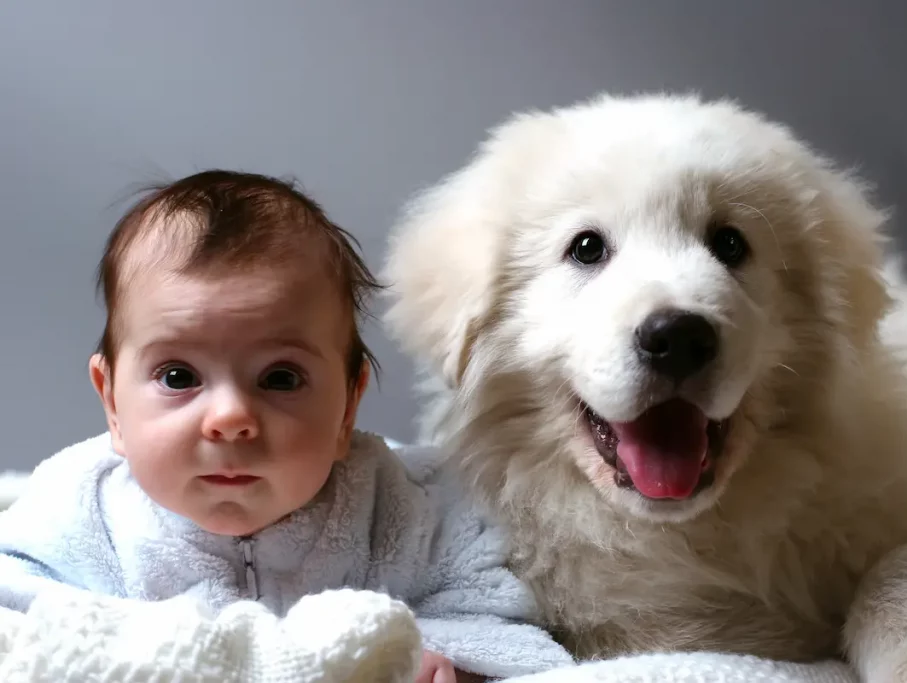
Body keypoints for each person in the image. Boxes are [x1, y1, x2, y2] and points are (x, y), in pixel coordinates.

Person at [0, 170, 572, 682]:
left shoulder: (404, 507)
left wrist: (446, 660)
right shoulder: (78, 509)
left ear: (347, 409)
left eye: (278, 379)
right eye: (178, 376)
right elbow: (15, 616)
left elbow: (492, 612)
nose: (229, 419)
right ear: (113, 406)